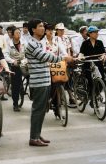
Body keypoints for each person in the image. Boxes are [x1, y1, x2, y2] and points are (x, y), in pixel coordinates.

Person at [26, 19, 73, 147]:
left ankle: (37, 134)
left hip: (45, 80)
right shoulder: (31, 43)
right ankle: (33, 138)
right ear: (33, 29)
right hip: (39, 82)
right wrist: (64, 58)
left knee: (41, 111)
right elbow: (45, 57)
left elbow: (47, 55)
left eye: (43, 26)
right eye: (40, 26)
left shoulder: (39, 42)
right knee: (38, 110)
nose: (43, 28)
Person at [42, 23, 68, 117]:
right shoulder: (42, 41)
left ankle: (57, 105)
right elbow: (43, 54)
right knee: (50, 86)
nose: (51, 32)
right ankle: (48, 101)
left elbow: (63, 50)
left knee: (61, 82)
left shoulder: (57, 39)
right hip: (46, 65)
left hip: (57, 65)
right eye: (49, 30)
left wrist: (66, 56)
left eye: (52, 30)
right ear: (45, 31)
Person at [78, 26, 106, 107]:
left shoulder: (100, 42)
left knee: (102, 81)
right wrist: (81, 57)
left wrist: (103, 57)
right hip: (88, 64)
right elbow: (81, 53)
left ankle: (96, 95)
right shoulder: (85, 43)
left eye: (97, 32)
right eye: (95, 32)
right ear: (90, 34)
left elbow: (103, 53)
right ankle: (92, 97)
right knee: (90, 81)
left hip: (98, 64)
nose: (97, 34)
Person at [4, 27, 27, 112]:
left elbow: (28, 53)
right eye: (17, 33)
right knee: (16, 85)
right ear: (12, 35)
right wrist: (13, 61)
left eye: (19, 33)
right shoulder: (8, 44)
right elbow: (6, 56)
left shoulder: (24, 43)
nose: (19, 34)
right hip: (15, 66)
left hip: (24, 64)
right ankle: (15, 104)